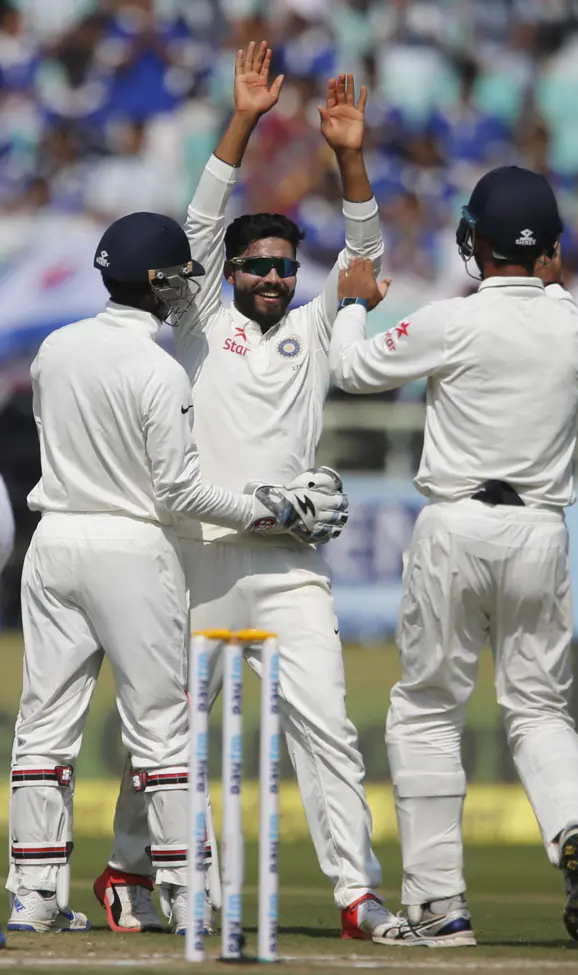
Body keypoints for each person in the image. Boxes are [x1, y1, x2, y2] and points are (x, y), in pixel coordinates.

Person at [94, 42, 400, 942]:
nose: (271, 277)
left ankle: (356, 893)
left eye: (281, 268)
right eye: (257, 266)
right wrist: (243, 120)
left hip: (292, 566)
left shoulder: (315, 324)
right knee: (170, 736)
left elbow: (365, 250)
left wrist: (349, 155)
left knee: (328, 730)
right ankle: (128, 864)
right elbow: (194, 227)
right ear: (229, 275)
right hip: (198, 559)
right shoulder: (199, 318)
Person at [6, 210, 348, 934]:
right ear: (158, 281)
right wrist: (272, 509)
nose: (183, 291)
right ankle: (185, 886)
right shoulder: (159, 371)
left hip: (54, 540)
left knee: (42, 727)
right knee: (163, 727)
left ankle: (34, 894)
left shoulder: (54, 351)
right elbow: (179, 492)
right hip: (131, 547)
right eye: (178, 279)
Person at [327, 166, 578, 947]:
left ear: (476, 244)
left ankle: (439, 904)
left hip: (455, 524)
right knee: (540, 710)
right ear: (550, 250)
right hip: (540, 531)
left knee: (426, 708)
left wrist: (353, 305)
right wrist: (553, 290)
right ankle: (575, 831)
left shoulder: (451, 320)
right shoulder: (574, 326)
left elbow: (349, 369)